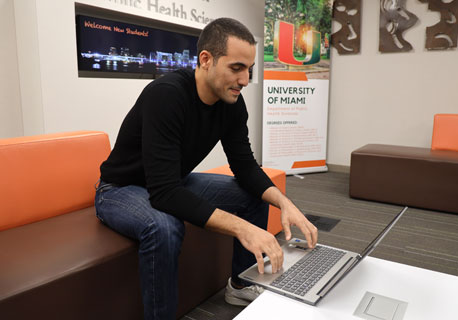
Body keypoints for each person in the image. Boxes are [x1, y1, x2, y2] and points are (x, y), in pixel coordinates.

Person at [94, 17, 318, 320]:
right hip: (119, 190)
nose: (245, 80)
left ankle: (240, 284)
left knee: (253, 194)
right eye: (236, 68)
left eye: (249, 70)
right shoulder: (166, 94)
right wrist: (244, 229)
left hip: (172, 181)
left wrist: (284, 202)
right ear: (206, 60)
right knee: (164, 227)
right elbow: (164, 194)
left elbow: (245, 166)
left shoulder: (232, 103)